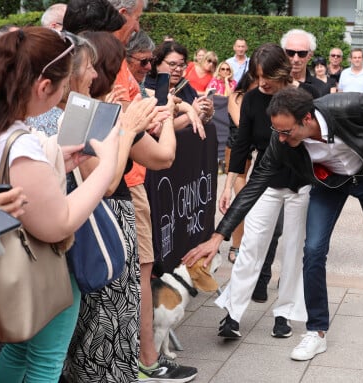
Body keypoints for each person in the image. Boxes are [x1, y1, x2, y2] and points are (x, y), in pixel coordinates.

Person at [0, 26, 151, 382]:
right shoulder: (18, 142)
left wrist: (55, 160)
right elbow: (59, 223)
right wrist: (108, 161)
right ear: (44, 87)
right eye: (62, 87)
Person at [183, 87, 363, 364]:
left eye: (287, 131)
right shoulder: (281, 140)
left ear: (307, 119)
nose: (282, 138)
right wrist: (219, 235)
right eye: (278, 131)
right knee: (312, 251)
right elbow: (253, 187)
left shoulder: (350, 105)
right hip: (331, 182)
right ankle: (316, 331)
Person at [213, 43, 316, 340]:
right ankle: (232, 313)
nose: (263, 83)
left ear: (280, 71)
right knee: (250, 246)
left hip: (300, 184)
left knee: (295, 249)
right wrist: (228, 185)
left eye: (267, 76)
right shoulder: (252, 99)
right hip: (265, 182)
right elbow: (242, 144)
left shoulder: (303, 97)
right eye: (257, 76)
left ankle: (284, 313)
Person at [118, 30, 199, 382]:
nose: (149, 68)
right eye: (145, 62)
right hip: (128, 185)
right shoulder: (118, 81)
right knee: (140, 274)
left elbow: (151, 106)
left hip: (126, 184)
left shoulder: (126, 81)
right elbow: (162, 155)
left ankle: (137, 358)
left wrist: (176, 106)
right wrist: (168, 113)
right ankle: (147, 361)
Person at [224, 72, 257, 264]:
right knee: (242, 199)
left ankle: (248, 244)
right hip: (237, 150)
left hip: (258, 149)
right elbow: (241, 124)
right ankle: (236, 245)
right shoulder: (236, 96)